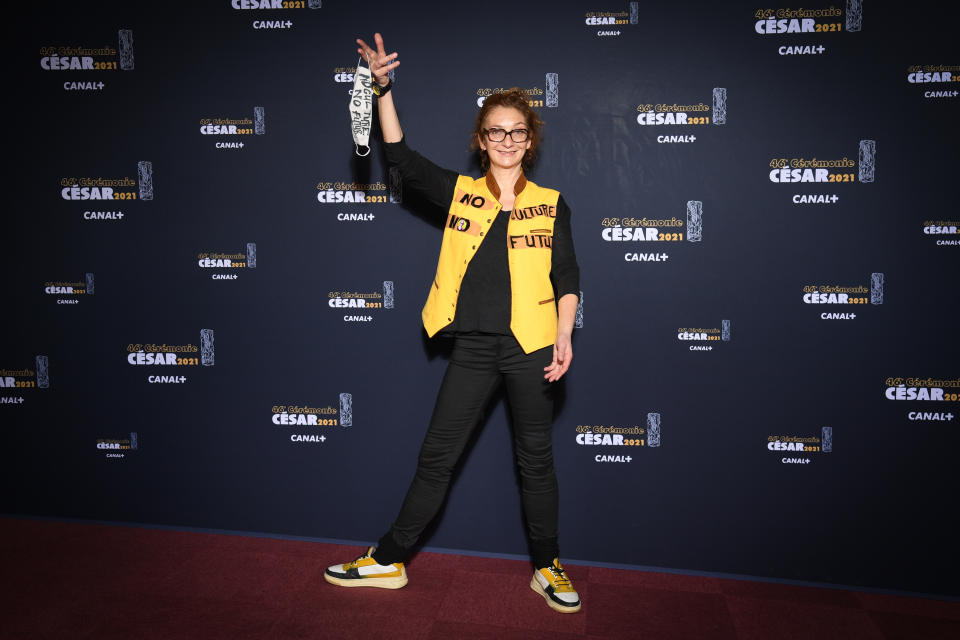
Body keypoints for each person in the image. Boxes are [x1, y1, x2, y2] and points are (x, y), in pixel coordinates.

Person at [325, 33, 582, 614]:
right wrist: (382, 88)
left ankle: (548, 567)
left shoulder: (551, 201)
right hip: (472, 349)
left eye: (518, 131)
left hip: (532, 348)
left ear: (530, 140)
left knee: (535, 461)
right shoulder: (461, 193)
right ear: (481, 139)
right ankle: (389, 559)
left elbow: (566, 274)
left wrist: (564, 335)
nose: (508, 140)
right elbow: (401, 159)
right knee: (436, 458)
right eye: (497, 131)